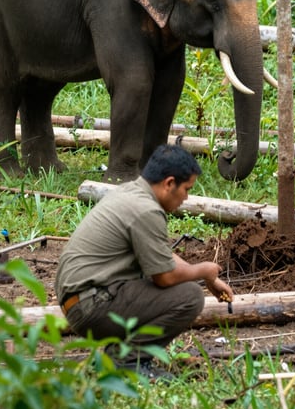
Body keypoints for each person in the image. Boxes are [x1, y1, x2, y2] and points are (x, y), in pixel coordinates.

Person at [55, 144, 234, 379]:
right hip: (90, 305)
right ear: (169, 183)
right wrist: (202, 270)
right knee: (190, 297)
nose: (186, 198)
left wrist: (208, 277)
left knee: (184, 288)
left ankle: (118, 356)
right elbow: (165, 277)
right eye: (186, 189)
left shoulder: (130, 192)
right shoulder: (146, 210)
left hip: (81, 299)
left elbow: (162, 255)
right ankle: (128, 362)